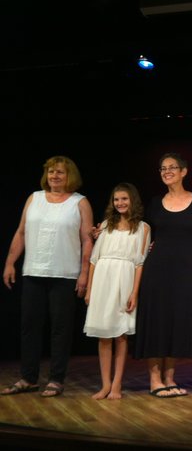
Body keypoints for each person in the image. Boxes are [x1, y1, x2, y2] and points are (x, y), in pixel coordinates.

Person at [2, 155, 93, 398]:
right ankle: (28, 378)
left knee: (60, 329)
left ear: (69, 176)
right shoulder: (35, 198)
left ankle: (56, 379)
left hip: (64, 274)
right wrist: (10, 262)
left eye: (60, 172)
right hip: (33, 270)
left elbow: (87, 240)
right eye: (51, 172)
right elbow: (21, 232)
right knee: (29, 326)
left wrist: (85, 273)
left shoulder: (79, 202)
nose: (54, 176)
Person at [134, 153, 192, 398]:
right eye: (162, 168)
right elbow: (141, 232)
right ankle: (155, 379)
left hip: (185, 270)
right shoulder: (154, 202)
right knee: (157, 321)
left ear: (184, 171)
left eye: (172, 167)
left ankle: (170, 378)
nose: (167, 172)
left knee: (177, 321)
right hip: (157, 270)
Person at [83, 183, 150, 400]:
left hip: (125, 281)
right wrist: (90, 289)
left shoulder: (143, 228)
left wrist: (134, 293)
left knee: (120, 335)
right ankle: (104, 385)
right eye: (116, 199)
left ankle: (116, 385)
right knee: (104, 335)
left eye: (124, 199)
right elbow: (94, 260)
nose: (120, 203)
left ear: (133, 201)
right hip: (103, 280)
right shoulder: (104, 227)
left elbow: (140, 263)